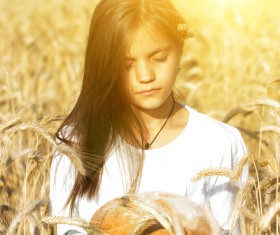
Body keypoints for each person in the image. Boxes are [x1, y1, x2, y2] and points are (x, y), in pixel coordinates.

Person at [50, 0, 248, 234]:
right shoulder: (74, 142)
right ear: (104, 66)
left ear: (180, 48)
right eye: (126, 65)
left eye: (159, 58)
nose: (145, 75)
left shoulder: (219, 143)